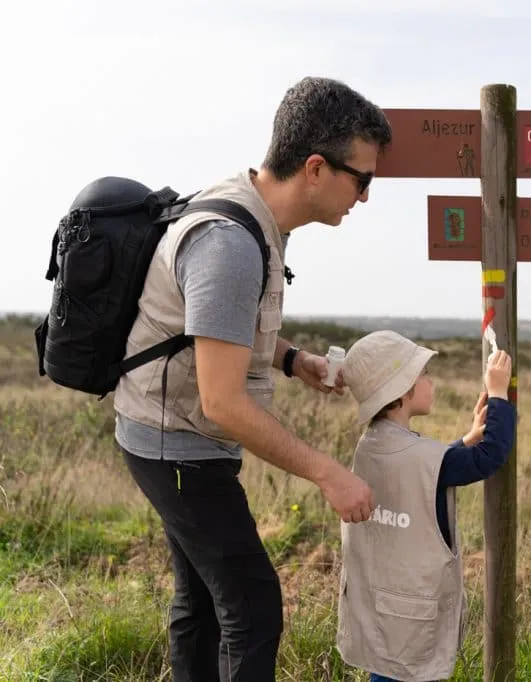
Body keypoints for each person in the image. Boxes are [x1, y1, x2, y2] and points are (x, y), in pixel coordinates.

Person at [112, 76, 391, 681]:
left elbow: (212, 325)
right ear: (316, 168)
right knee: (253, 606)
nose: (365, 197)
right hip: (177, 444)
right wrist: (328, 473)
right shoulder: (231, 243)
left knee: (204, 603)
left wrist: (293, 360)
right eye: (362, 179)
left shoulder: (252, 214)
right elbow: (222, 402)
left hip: (166, 434)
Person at [333, 330, 516, 682]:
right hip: (410, 623)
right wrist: (498, 393)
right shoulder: (422, 459)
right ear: (402, 392)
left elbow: (420, 469)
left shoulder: (369, 445)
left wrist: (465, 440)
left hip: (379, 616)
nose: (431, 382)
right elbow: (489, 458)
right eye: (424, 375)